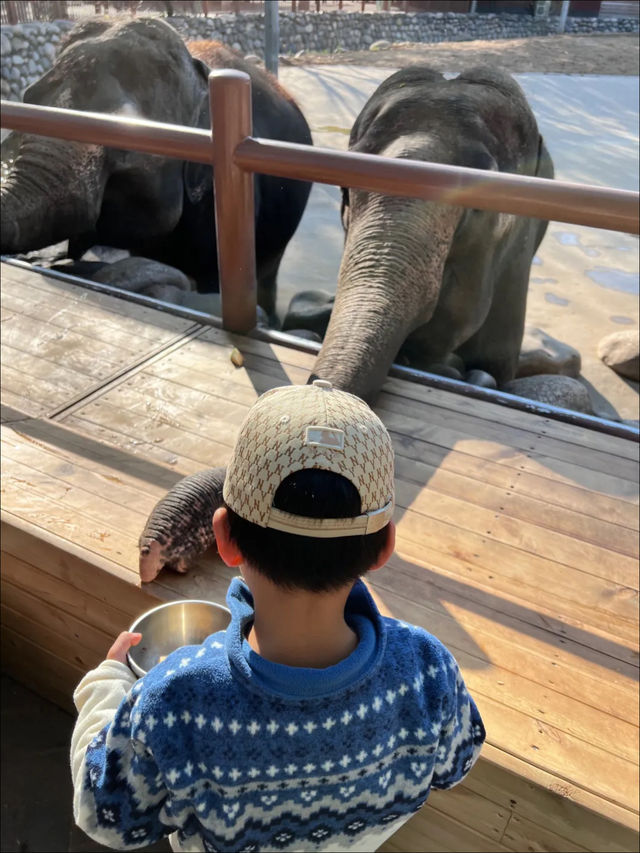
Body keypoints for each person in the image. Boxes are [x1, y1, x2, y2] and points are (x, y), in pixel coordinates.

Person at [70, 379, 485, 852]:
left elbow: (101, 813)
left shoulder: (175, 701)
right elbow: (456, 763)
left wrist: (106, 689)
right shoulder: (427, 667)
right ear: (384, 546)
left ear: (224, 539)